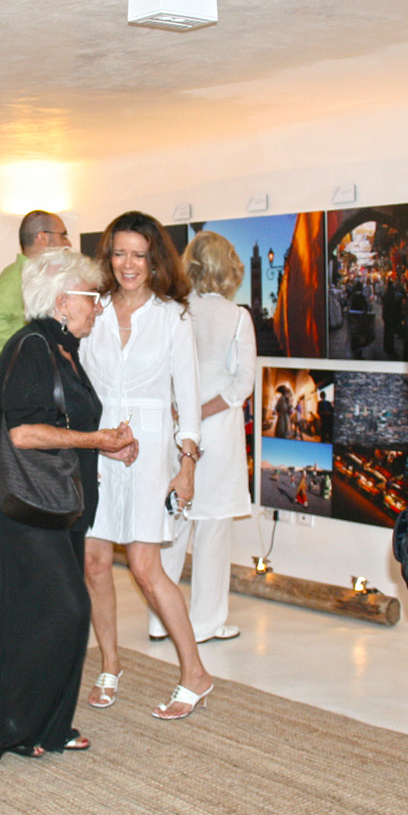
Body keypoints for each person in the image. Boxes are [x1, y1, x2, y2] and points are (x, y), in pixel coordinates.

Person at [0, 249, 138, 760]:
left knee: (53, 615)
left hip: (57, 504)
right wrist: (99, 440)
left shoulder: (61, 348)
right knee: (57, 613)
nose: (100, 308)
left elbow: (64, 423)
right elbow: (22, 434)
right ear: (63, 300)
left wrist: (107, 442)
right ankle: (2, 730)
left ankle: (44, 726)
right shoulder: (32, 347)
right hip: (23, 510)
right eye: (92, 298)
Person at [80, 211, 211, 719]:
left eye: (139, 253)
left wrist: (187, 464)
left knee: (144, 567)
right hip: (95, 445)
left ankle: (195, 674)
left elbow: (190, 397)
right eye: (119, 253)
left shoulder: (173, 316)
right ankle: (110, 665)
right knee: (93, 563)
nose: (128, 264)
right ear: (107, 257)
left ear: (155, 258)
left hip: (151, 450)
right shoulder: (92, 310)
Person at [148, 231, 255, 645]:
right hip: (219, 435)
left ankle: (161, 621)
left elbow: (156, 374)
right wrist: (201, 410)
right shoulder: (237, 317)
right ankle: (206, 624)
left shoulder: (173, 312)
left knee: (171, 525)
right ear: (230, 269)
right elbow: (241, 385)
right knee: (212, 531)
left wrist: (180, 411)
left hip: (174, 433)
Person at [0, 210, 71, 379]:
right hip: (16, 380)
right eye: (63, 235)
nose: (68, 244)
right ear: (43, 238)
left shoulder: (38, 276)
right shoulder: (18, 275)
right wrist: (32, 350)